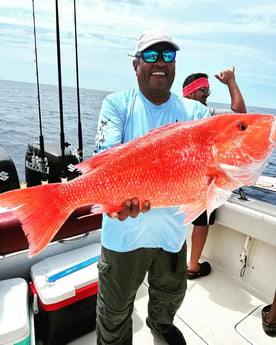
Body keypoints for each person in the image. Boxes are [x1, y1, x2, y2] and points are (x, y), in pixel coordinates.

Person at [94, 28, 210, 345]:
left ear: (175, 64)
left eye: (168, 55)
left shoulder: (195, 113)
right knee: (114, 311)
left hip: (171, 237)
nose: (160, 62)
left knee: (170, 295)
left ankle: (160, 326)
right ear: (136, 65)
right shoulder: (116, 105)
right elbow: (104, 163)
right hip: (123, 240)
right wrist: (115, 204)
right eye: (150, 55)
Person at [182, 68, 246, 279]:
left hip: (177, 178)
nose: (207, 93)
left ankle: (171, 263)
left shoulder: (174, 111)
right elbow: (241, 117)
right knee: (201, 220)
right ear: (189, 93)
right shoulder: (205, 114)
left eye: (208, 89)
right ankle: (192, 266)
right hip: (199, 179)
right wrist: (231, 82)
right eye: (203, 89)